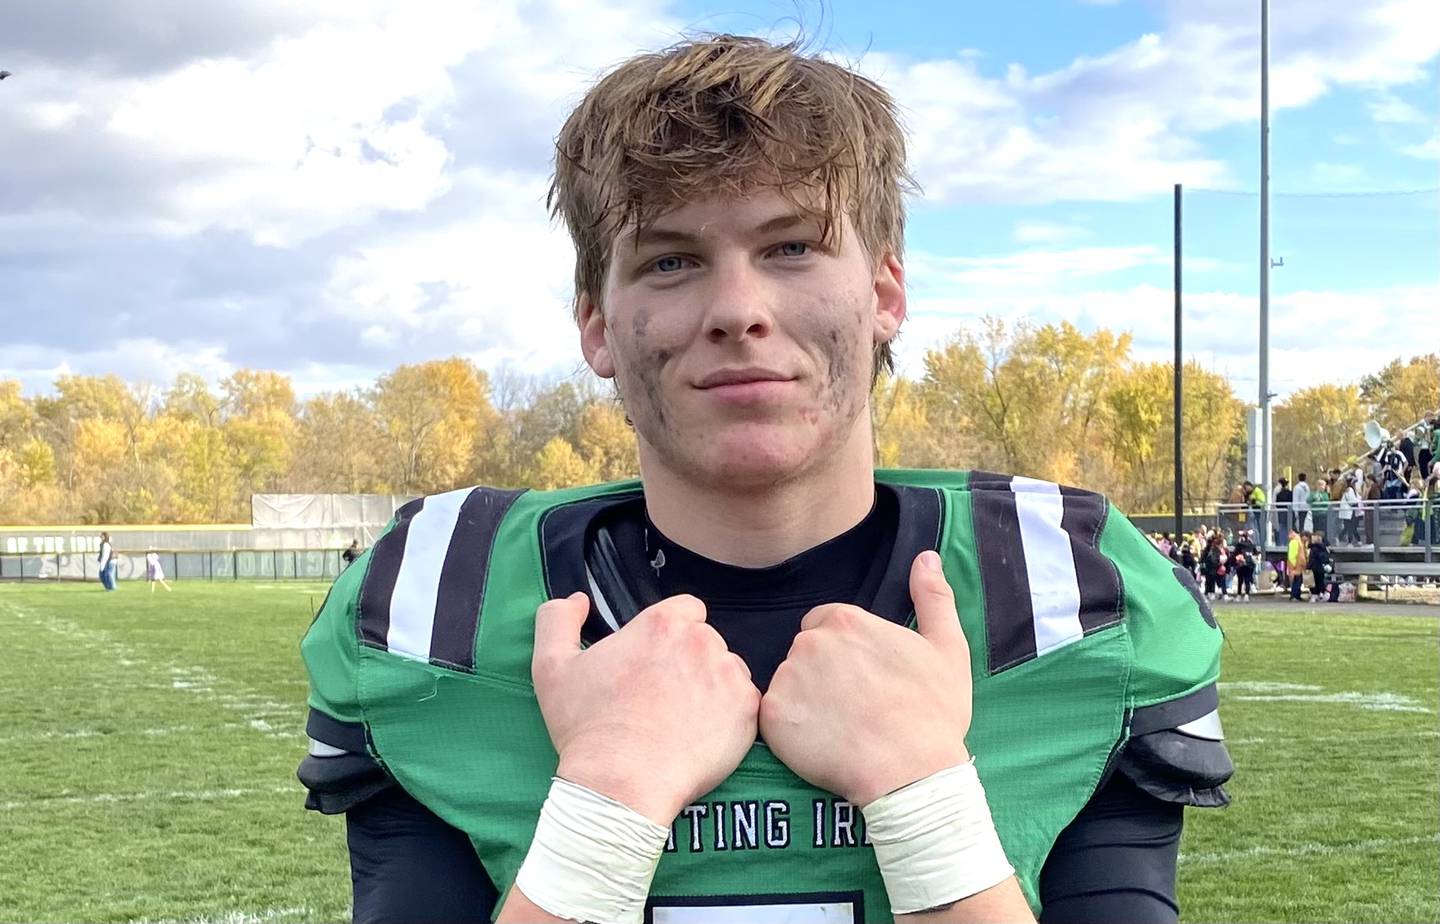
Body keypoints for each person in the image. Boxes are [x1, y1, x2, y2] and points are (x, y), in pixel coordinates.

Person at [296, 35, 1231, 924]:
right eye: (671, 261)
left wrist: (923, 795)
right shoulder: (436, 607)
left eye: (791, 246)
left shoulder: (1068, 595)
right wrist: (610, 795)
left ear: (886, 295)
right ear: (596, 324)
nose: (737, 310)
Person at [1230, 530, 1256, 602]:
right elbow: (1255, 552)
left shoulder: (1239, 544)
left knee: (1240, 580)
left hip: (1241, 564)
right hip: (1250, 564)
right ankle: (1246, 595)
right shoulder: (1251, 544)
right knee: (1247, 580)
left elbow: (1235, 553)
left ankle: (1239, 596)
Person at [1306, 533, 1331, 603]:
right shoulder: (1323, 548)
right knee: (1319, 581)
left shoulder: (1313, 548)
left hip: (1313, 567)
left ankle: (1315, 594)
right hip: (1319, 568)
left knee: (1312, 582)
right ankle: (1320, 594)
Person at [1286, 531, 1309, 601]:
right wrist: (1293, 566)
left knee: (1298, 582)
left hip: (1298, 566)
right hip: (1296, 566)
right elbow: (1292, 556)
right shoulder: (1296, 541)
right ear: (1304, 536)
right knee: (1296, 581)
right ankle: (1294, 595)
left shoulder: (1299, 541)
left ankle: (1297, 595)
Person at [1338, 475, 1361, 545]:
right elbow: (1352, 501)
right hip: (1349, 512)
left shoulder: (1348, 490)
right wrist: (1358, 500)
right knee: (1350, 527)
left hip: (1349, 512)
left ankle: (1356, 540)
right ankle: (1350, 541)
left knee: (1348, 527)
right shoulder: (1349, 490)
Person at [1274, 478, 1292, 546]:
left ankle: (1282, 543)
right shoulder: (1289, 493)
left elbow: (1276, 503)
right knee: (1288, 527)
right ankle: (1287, 543)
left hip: (1280, 512)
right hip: (1288, 512)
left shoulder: (1279, 493)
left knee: (1281, 527)